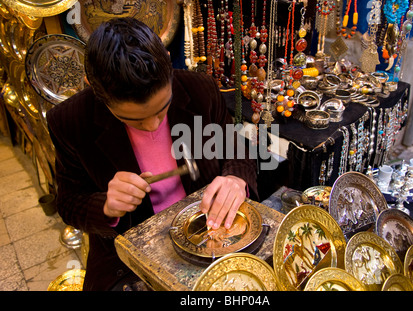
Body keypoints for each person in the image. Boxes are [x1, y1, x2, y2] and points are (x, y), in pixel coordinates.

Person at [47, 17, 258, 291]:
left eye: (162, 109)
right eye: (133, 119)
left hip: (209, 230)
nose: (153, 125)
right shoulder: (71, 121)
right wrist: (106, 206)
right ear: (94, 89)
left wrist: (235, 178)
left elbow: (236, 148)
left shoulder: (200, 90)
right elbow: (68, 203)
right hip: (125, 257)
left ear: (169, 64)